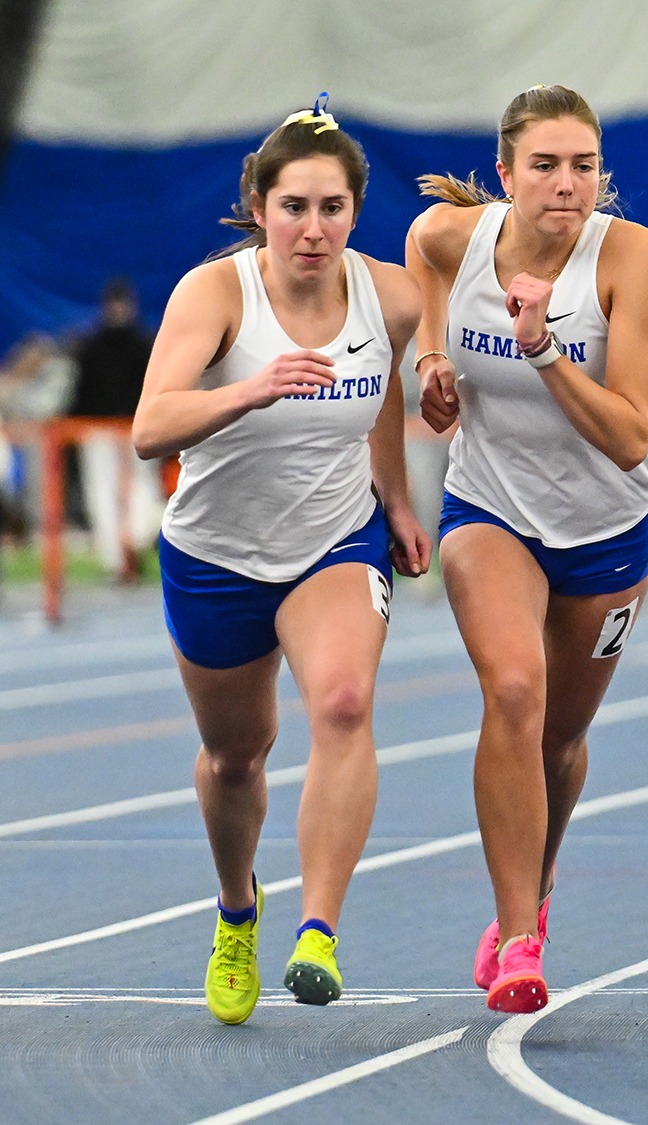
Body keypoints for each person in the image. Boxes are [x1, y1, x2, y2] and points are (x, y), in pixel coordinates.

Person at [132, 98, 429, 1025]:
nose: (313, 228)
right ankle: (236, 909)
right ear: (258, 206)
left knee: (343, 702)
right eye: (294, 206)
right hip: (216, 552)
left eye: (332, 208)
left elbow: (380, 383)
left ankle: (318, 933)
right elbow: (150, 427)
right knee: (235, 756)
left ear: (355, 211)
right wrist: (250, 391)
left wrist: (397, 494)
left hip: (334, 541)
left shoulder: (389, 294)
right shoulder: (217, 294)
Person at [408, 84, 648, 1013]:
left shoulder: (627, 255)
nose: (567, 184)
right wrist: (432, 358)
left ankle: (539, 886)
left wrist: (545, 346)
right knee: (514, 691)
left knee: (560, 736)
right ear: (507, 172)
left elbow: (632, 436)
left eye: (585, 166)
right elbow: (424, 255)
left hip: (607, 530)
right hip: (492, 509)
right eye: (546, 166)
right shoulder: (459, 235)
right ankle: (519, 934)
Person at [71, 276, 155, 581]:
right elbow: (81, 392)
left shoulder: (140, 345)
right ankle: (119, 557)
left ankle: (130, 545)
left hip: (133, 427)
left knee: (135, 489)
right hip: (103, 429)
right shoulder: (97, 346)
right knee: (104, 492)